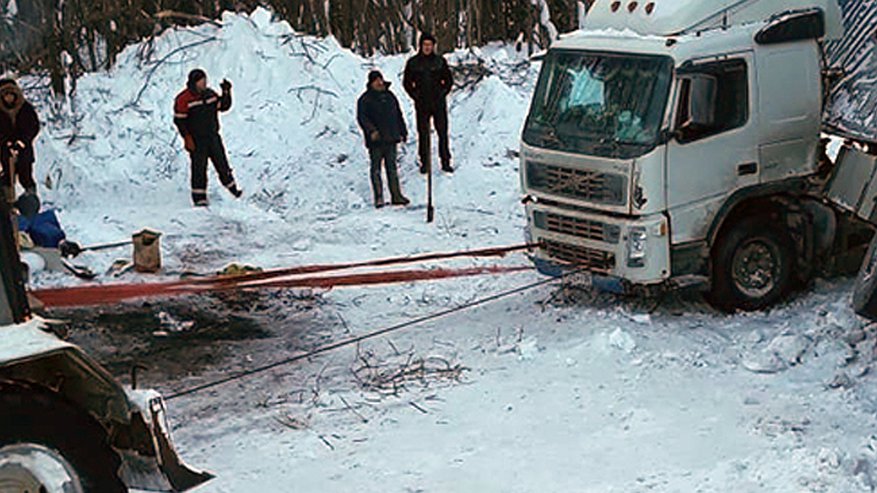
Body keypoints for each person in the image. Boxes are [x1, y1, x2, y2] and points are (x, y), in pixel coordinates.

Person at [173, 69, 242, 207]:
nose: (204, 83)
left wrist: (226, 92)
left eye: (205, 80)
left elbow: (223, 106)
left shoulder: (210, 94)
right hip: (197, 140)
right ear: (194, 82)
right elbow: (179, 121)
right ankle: (199, 198)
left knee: (222, 164)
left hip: (213, 137)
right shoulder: (183, 99)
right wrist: (187, 137)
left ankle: (233, 190)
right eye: (201, 81)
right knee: (199, 169)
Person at [357, 70, 410, 208]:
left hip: (391, 137)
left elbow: (398, 114)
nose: (379, 82)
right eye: (376, 80)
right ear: (371, 83)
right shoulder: (365, 99)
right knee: (376, 169)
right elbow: (362, 118)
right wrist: (371, 131)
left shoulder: (390, 96)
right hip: (376, 140)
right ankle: (379, 197)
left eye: (380, 79)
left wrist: (403, 131)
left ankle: (396, 196)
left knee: (392, 168)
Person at [403, 33, 454, 174]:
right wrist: (415, 95)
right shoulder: (413, 63)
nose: (427, 47)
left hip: (438, 103)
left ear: (433, 46)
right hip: (422, 104)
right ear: (421, 46)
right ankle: (425, 162)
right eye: (425, 45)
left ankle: (445, 161)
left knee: (442, 133)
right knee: (423, 134)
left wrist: (443, 92)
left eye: (430, 45)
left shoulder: (440, 61)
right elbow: (407, 83)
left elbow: (448, 80)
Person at [0, 79, 40, 195]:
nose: (8, 98)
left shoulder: (26, 108)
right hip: (5, 150)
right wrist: (6, 142)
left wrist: (22, 141)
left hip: (24, 148)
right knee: (7, 178)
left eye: (11, 95)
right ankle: (8, 203)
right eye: (5, 95)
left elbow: (33, 127)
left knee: (25, 175)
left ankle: (31, 199)